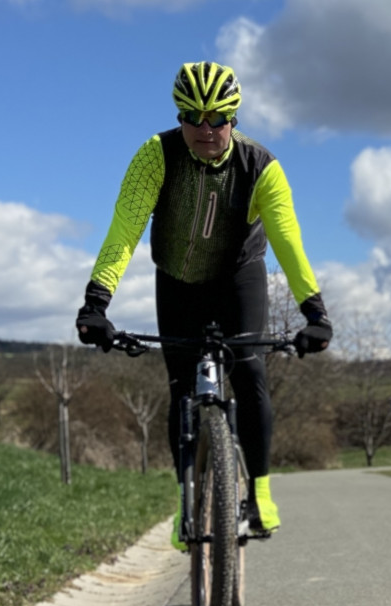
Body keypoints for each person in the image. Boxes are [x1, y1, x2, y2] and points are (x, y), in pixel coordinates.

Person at [75, 61, 332, 549]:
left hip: (238, 277)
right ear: (179, 117)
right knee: (180, 390)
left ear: (234, 118)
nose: (206, 129)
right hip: (176, 280)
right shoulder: (155, 156)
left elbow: (288, 243)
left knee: (250, 373)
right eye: (192, 117)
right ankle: (185, 500)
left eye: (218, 118)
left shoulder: (262, 167)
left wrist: (314, 313)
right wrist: (96, 301)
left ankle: (259, 491)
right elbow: (124, 231)